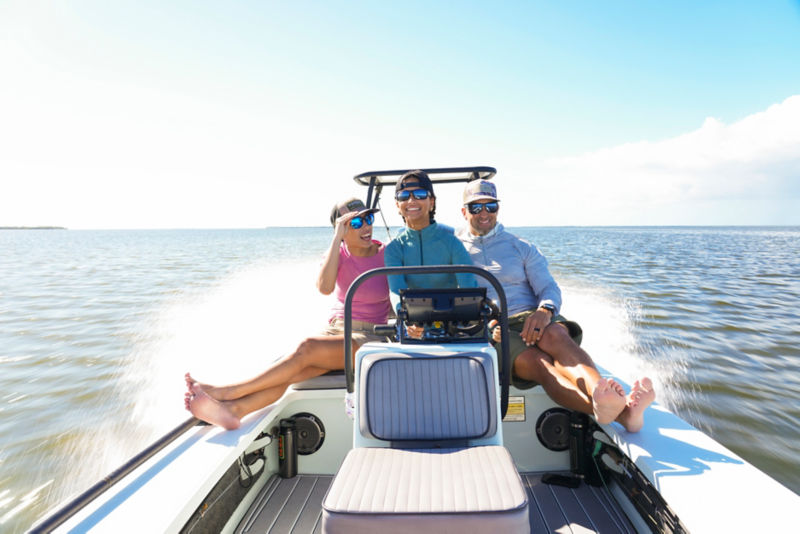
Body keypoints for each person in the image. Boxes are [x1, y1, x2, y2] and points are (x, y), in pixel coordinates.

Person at [456, 180, 655, 432]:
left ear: (498, 209)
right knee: (540, 363)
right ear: (464, 212)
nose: (484, 213)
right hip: (494, 327)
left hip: (531, 316)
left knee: (557, 335)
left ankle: (601, 394)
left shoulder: (522, 246)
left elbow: (548, 288)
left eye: (491, 206)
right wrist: (484, 326)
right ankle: (625, 414)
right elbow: (453, 298)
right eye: (476, 207)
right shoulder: (454, 249)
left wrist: (545, 311)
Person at [184, 198, 391, 430]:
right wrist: (336, 240)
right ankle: (235, 411)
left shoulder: (386, 253)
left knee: (306, 348)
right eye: (355, 223)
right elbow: (324, 288)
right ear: (340, 229)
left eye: (368, 219)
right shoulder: (337, 253)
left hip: (369, 337)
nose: (366, 226)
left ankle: (225, 392)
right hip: (336, 329)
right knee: (293, 371)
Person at [384, 170, 476, 315]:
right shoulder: (394, 249)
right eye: (404, 196)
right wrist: (407, 318)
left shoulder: (452, 243)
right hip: (411, 323)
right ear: (397, 205)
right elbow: (396, 291)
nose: (411, 200)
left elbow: (469, 289)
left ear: (431, 201)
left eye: (419, 194)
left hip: (451, 322)